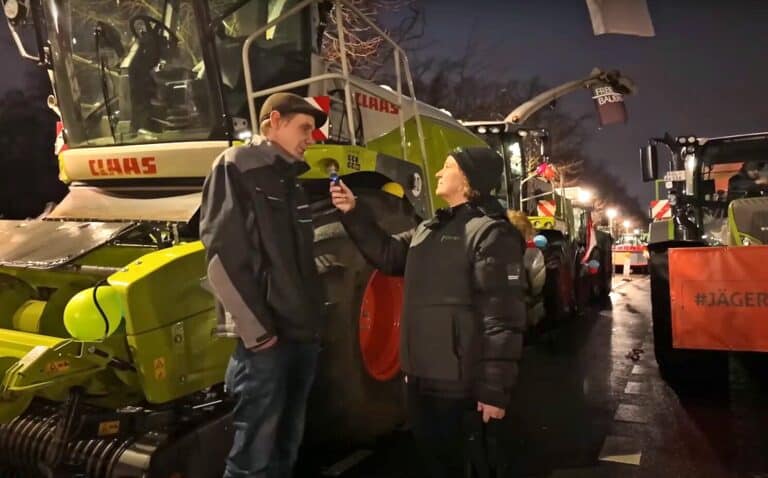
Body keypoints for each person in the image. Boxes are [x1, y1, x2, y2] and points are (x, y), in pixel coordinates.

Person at [330, 147, 526, 478]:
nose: (438, 172)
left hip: (460, 384)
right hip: (418, 378)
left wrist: (494, 391)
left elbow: (502, 317)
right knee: (434, 464)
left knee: (469, 464)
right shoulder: (428, 229)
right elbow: (388, 255)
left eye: (447, 166)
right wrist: (353, 212)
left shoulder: (491, 233)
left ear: (467, 179)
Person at [199, 92, 328, 478]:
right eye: (304, 128)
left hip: (301, 335)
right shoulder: (236, 166)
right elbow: (222, 256)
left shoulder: (293, 182)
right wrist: (258, 335)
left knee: (287, 444)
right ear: (274, 121)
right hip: (266, 344)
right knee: (253, 457)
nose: (311, 138)